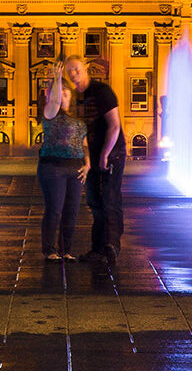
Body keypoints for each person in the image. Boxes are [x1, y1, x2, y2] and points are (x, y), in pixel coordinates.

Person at [67, 56, 125, 264]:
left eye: (76, 68)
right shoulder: (76, 97)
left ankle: (111, 246)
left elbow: (114, 126)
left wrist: (104, 154)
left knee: (110, 199)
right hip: (92, 155)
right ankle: (98, 248)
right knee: (93, 201)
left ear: (85, 67)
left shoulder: (102, 91)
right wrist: (87, 159)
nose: (73, 73)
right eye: (69, 71)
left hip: (112, 152)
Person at [36, 60, 89, 261]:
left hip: (75, 168)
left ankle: (66, 250)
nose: (63, 97)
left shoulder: (77, 119)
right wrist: (57, 79)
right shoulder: (50, 113)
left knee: (72, 212)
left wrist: (88, 164)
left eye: (66, 93)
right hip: (53, 167)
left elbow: (84, 143)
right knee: (55, 210)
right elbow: (55, 102)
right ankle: (49, 250)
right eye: (59, 94)